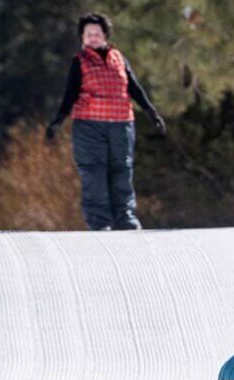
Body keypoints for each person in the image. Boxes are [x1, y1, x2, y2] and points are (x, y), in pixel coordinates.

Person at [45, 13, 166, 231]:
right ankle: (100, 221)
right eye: (88, 34)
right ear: (82, 37)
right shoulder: (79, 61)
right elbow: (70, 95)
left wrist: (151, 112)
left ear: (105, 36)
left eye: (97, 33)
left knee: (122, 170)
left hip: (121, 124)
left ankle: (125, 217)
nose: (93, 37)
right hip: (90, 126)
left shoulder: (118, 58)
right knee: (95, 172)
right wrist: (57, 121)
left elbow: (134, 88)